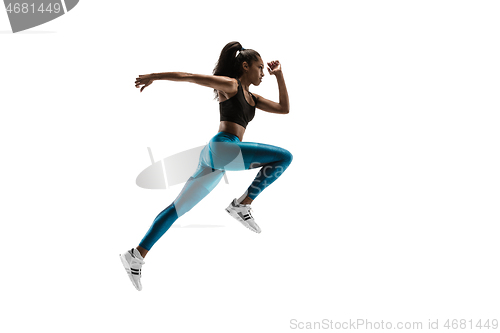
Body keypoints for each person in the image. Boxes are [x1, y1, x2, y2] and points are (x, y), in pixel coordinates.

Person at [120, 41, 293, 291]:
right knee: (284, 157)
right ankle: (243, 204)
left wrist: (280, 76)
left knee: (177, 209)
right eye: (259, 67)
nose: (262, 71)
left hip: (217, 158)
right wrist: (154, 77)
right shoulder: (231, 85)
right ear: (245, 66)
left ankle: (135, 255)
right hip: (223, 148)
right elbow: (190, 77)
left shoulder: (253, 99)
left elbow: (284, 109)